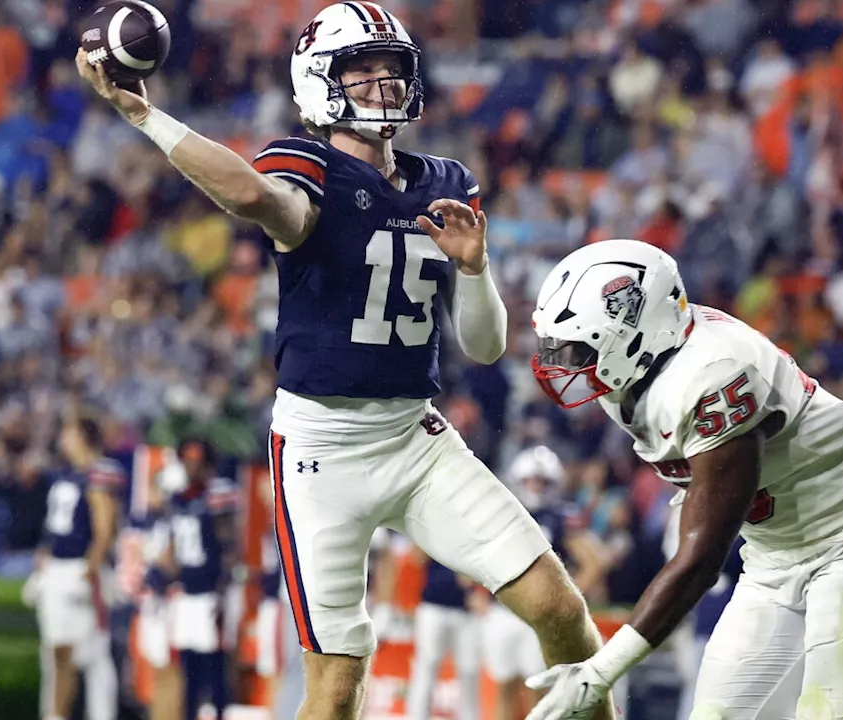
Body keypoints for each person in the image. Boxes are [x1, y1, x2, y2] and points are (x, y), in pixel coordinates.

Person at [75, 4, 611, 718]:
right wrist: (147, 117)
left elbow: (483, 347)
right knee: (334, 688)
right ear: (318, 79)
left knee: (559, 605)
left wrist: (476, 271)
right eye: (363, 66)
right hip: (322, 450)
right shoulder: (308, 166)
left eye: (392, 65)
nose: (384, 80)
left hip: (416, 438)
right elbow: (251, 195)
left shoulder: (445, 180)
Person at [525, 239, 843, 719]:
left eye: (578, 348)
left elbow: (701, 558)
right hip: (772, 558)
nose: (565, 363)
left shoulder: (713, 373)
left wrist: (601, 669)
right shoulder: (642, 368)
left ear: (634, 335)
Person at [483, 447, 604, 720]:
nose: (536, 487)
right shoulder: (504, 513)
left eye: (542, 482)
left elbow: (593, 562)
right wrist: (476, 591)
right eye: (530, 480)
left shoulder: (560, 517)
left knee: (538, 691)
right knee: (504, 686)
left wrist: (566, 599)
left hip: (538, 617)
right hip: (502, 610)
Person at [31, 418, 122, 720]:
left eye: (70, 432)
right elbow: (55, 525)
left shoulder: (99, 472)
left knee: (93, 655)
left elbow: (104, 527)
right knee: (56, 651)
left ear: (84, 436)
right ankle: (54, 714)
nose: (64, 438)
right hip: (57, 568)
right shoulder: (66, 473)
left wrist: (92, 566)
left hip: (80, 569)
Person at [161, 438, 239, 720]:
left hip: (211, 593)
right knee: (189, 668)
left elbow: (229, 543)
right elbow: (172, 543)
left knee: (214, 668)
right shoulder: (179, 498)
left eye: (198, 462)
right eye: (188, 461)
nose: (192, 468)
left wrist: (224, 585)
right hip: (186, 591)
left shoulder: (218, 495)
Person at [406, 555, 482, 720]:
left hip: (466, 610)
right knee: (426, 667)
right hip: (433, 605)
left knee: (469, 671)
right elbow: (416, 557)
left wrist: (475, 577)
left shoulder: (472, 529)